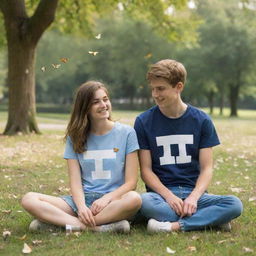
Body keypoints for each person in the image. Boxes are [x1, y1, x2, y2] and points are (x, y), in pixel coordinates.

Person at [134, 59, 243, 233]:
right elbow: (146, 171)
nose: (155, 94)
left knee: (234, 204)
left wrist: (193, 197)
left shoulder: (201, 120)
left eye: (161, 88)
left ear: (179, 87)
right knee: (144, 202)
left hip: (196, 195)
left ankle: (174, 226)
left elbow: (207, 168)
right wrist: (169, 197)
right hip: (160, 196)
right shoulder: (143, 122)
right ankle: (210, 219)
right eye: (153, 89)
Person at [22, 81, 141, 233]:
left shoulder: (127, 133)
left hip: (113, 202)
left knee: (134, 199)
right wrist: (82, 207)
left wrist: (106, 199)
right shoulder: (75, 136)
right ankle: (95, 228)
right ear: (85, 108)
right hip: (81, 200)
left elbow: (131, 182)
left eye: (105, 99)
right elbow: (75, 183)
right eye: (96, 102)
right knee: (29, 199)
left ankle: (63, 224)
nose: (104, 105)